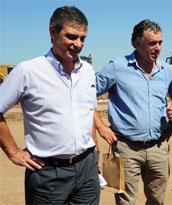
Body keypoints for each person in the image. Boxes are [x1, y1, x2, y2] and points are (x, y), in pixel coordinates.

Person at [0, 6, 100, 204]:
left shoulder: (88, 71)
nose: (78, 44)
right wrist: (13, 153)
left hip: (87, 168)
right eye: (72, 37)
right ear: (52, 33)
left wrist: (95, 154)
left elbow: (89, 112)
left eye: (83, 38)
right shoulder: (28, 71)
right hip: (48, 174)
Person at [94, 19, 172, 205]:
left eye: (160, 43)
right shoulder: (117, 67)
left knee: (157, 200)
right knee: (126, 202)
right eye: (152, 43)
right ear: (136, 43)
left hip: (159, 148)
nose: (158, 48)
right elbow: (84, 94)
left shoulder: (166, 71)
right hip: (125, 149)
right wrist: (101, 126)